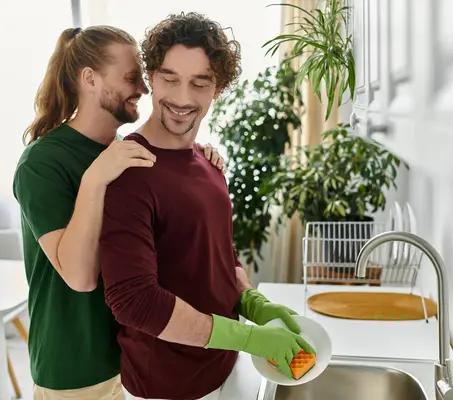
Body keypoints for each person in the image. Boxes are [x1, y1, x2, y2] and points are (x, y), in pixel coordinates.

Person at [99, 12, 315, 400]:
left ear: (218, 88)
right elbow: (133, 302)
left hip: (221, 368)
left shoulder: (208, 163)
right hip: (164, 386)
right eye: (170, 79)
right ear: (151, 78)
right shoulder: (129, 170)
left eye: (200, 83)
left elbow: (219, 255)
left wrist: (253, 301)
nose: (183, 98)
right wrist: (249, 337)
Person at [13, 25, 226, 400]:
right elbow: (80, 276)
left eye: (144, 79)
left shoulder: (125, 151)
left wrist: (197, 159)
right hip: (76, 368)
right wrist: (95, 180)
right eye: (131, 78)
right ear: (90, 79)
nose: (143, 90)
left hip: (130, 357)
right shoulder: (42, 162)